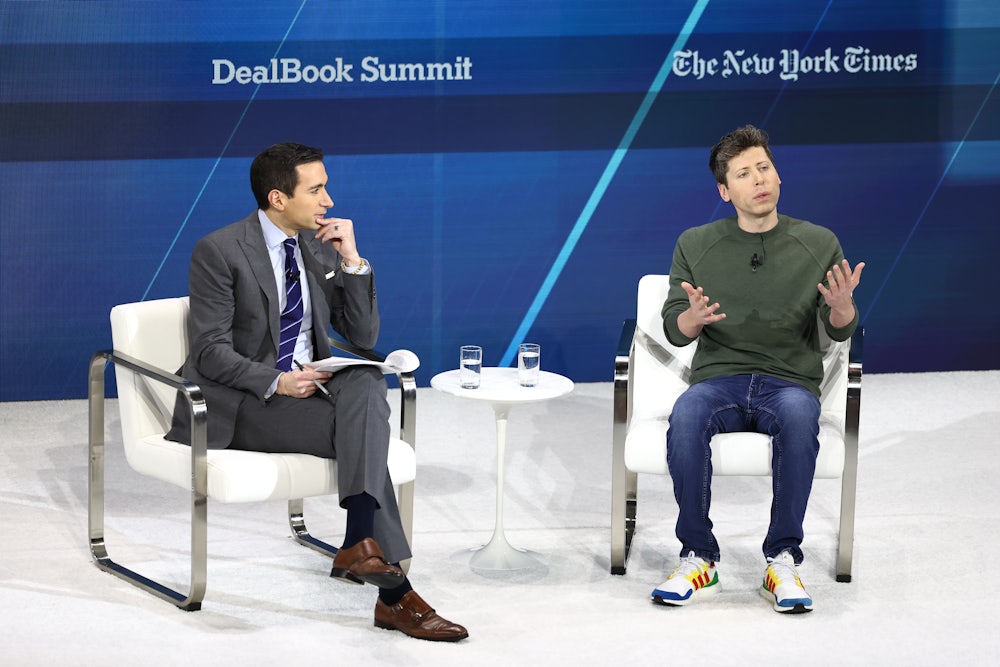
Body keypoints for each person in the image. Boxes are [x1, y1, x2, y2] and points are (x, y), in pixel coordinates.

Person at [165, 142, 468, 641]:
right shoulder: (219, 250)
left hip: (316, 382)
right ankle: (393, 593)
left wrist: (352, 260)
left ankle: (359, 540)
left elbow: (364, 337)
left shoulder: (318, 245)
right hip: (248, 399)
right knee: (365, 433)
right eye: (317, 189)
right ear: (278, 198)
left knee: (367, 377)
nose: (328, 200)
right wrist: (277, 380)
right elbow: (210, 351)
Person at [651, 125, 864, 614]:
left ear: (778, 176)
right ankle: (698, 557)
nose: (759, 180)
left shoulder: (818, 241)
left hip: (789, 381)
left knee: (799, 415)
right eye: (743, 174)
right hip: (718, 379)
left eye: (764, 168)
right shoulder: (695, 243)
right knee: (687, 415)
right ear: (725, 191)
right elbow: (675, 329)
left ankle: (782, 559)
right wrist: (692, 317)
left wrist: (841, 307)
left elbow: (840, 331)